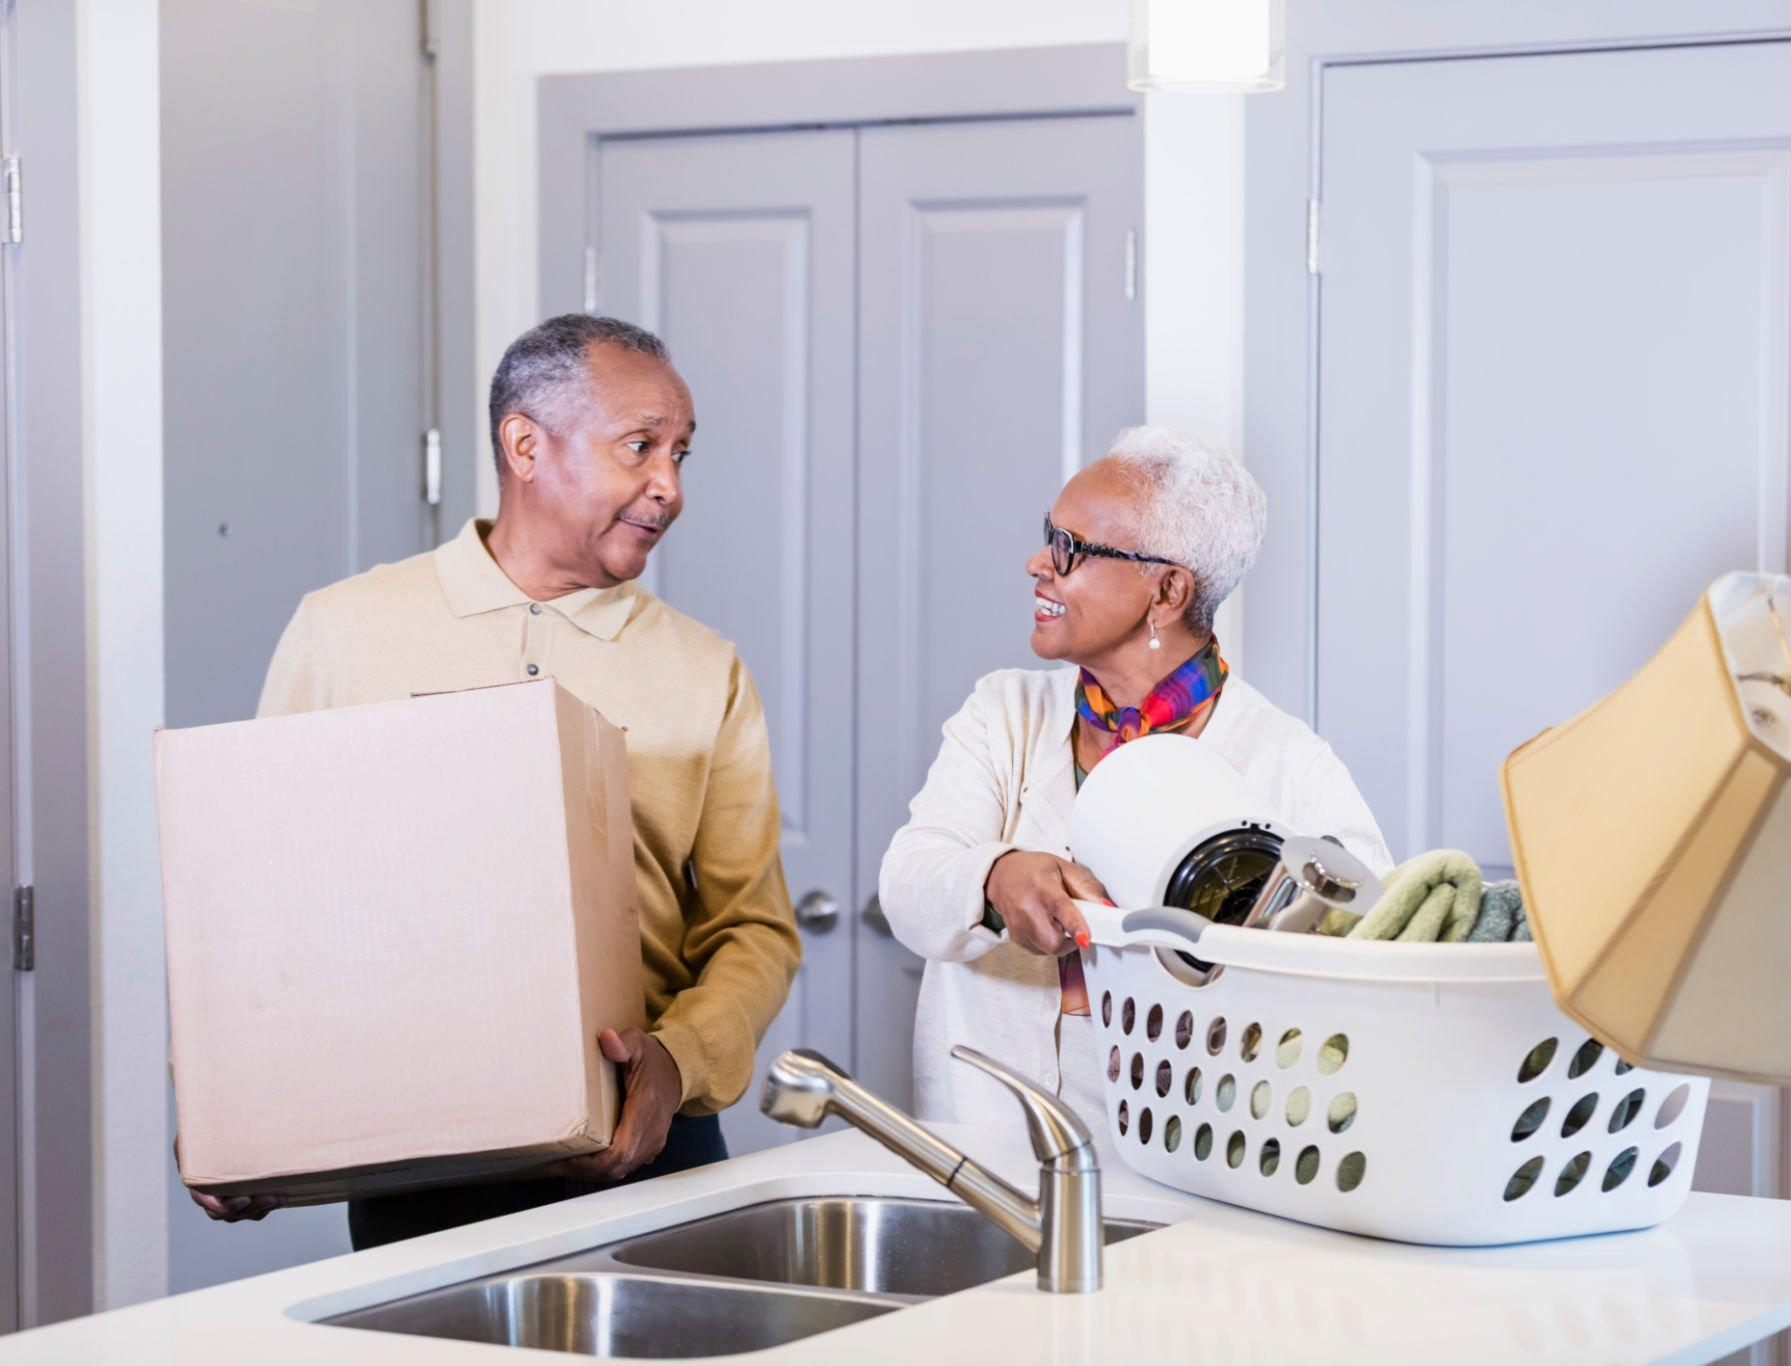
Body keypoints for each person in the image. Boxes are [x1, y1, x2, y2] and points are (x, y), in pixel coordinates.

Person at [185, 314, 800, 1248]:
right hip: (417, 1157)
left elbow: (752, 929)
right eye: (639, 447)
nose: (668, 486)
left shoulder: (703, 670)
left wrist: (676, 1063)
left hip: (650, 1146)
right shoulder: (344, 632)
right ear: (525, 445)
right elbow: (263, 903)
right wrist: (238, 1106)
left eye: (680, 452)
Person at [878, 427, 1394, 1134]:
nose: (1038, 564)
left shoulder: (1286, 763)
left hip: (1181, 1174)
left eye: (1071, 549)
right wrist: (995, 877)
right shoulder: (1005, 715)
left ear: (1168, 590)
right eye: (1047, 536)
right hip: (982, 1158)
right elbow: (908, 884)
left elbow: (1373, 963)